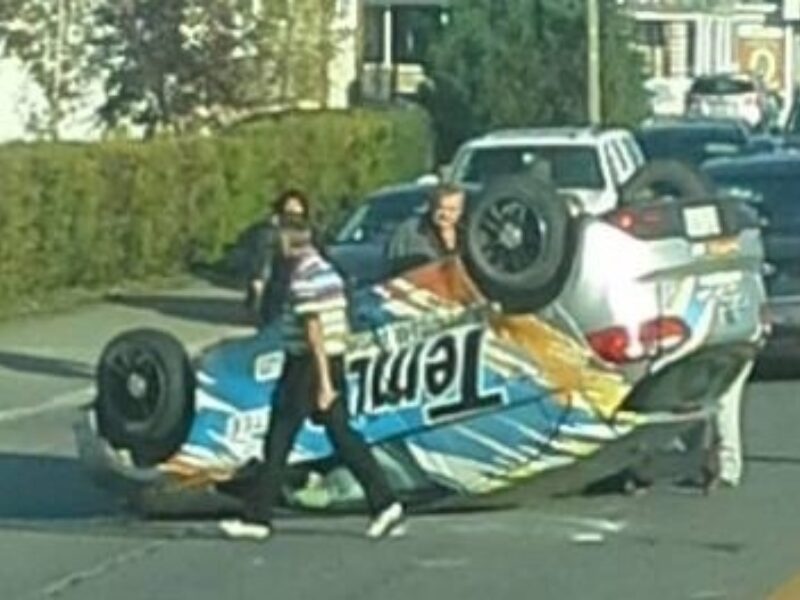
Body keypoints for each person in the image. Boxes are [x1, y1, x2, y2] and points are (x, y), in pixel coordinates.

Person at [221, 224, 405, 540]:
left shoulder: (304, 277)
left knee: (279, 438)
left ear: (288, 243)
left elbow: (313, 330)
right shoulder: (328, 272)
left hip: (308, 364)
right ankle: (385, 503)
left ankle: (257, 518)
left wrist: (323, 383)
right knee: (342, 435)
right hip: (331, 359)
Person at [246, 189, 310, 326]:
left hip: (303, 285)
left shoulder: (310, 231)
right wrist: (258, 280)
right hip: (278, 287)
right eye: (289, 206)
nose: (293, 211)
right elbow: (262, 256)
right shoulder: (270, 232)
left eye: (297, 206)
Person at [386, 183, 466, 274]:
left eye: (452, 209)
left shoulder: (471, 235)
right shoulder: (409, 231)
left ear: (461, 210)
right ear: (431, 206)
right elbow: (392, 269)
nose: (445, 214)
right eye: (441, 208)